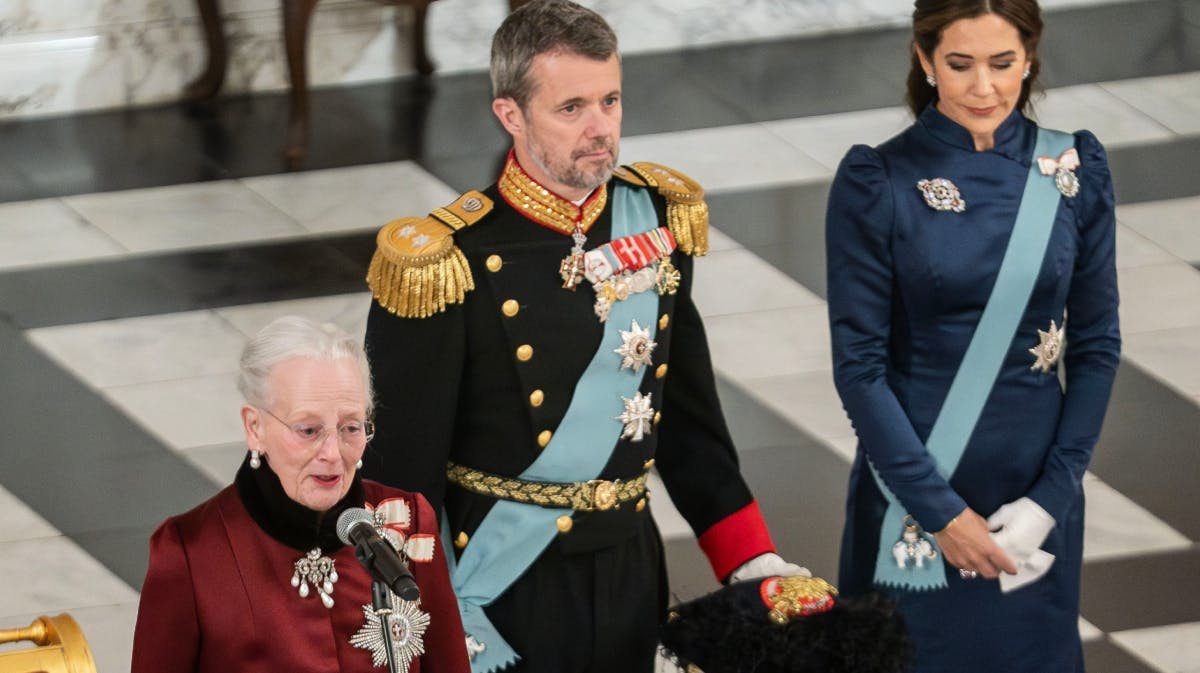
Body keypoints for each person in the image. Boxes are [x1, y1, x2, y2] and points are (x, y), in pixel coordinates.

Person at [361, 1, 807, 671]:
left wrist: (749, 556)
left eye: (611, 100)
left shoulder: (653, 223)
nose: (600, 129)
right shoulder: (448, 264)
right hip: (504, 586)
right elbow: (399, 482)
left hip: (631, 569)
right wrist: (422, 623)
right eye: (571, 108)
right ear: (510, 114)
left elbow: (686, 419)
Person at [825, 0, 1121, 671]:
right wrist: (941, 515)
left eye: (1003, 63)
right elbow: (859, 368)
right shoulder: (879, 180)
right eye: (959, 65)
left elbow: (1097, 342)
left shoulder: (1074, 171)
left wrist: (1053, 496)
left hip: (1034, 504)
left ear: (1031, 57)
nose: (983, 87)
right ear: (925, 60)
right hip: (916, 496)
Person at [131, 316, 469, 673]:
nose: (333, 453)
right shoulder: (189, 553)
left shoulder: (407, 520)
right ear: (255, 427)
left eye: (350, 427)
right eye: (309, 430)